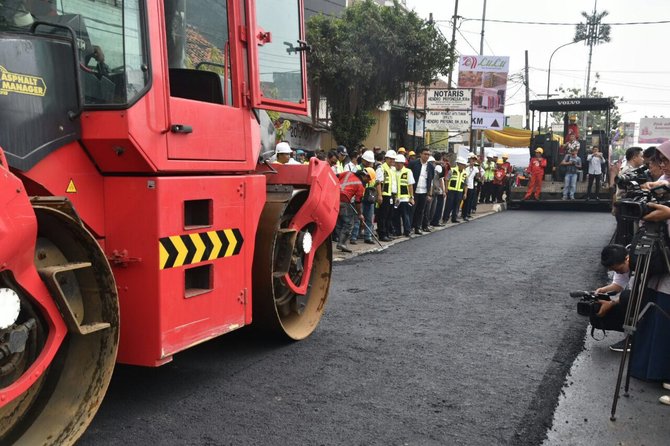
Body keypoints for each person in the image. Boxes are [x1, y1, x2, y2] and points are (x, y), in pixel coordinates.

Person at [334, 168, 375, 253]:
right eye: (368, 179)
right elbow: (358, 202)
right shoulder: (360, 186)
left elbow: (335, 176)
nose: (368, 182)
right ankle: (341, 244)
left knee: (337, 222)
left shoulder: (348, 173)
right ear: (365, 176)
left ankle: (339, 241)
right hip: (344, 202)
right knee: (349, 223)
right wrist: (360, 214)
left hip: (333, 197)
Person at [409, 148, 434, 234]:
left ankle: (417, 227)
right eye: (425, 154)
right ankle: (410, 227)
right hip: (414, 191)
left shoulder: (430, 166)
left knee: (421, 210)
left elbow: (430, 181)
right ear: (420, 154)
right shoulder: (413, 164)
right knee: (412, 209)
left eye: (428, 154)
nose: (426, 156)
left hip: (424, 191)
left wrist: (429, 194)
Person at [375, 150, 397, 242]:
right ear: (386, 158)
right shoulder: (381, 168)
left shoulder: (392, 169)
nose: (393, 161)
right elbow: (378, 183)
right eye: (391, 159)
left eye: (394, 159)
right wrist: (380, 195)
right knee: (382, 216)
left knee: (389, 216)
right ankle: (382, 234)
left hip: (391, 195)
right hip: (384, 195)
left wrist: (396, 195)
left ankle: (387, 233)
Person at [394, 154, 415, 237]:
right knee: (396, 216)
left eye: (399, 163)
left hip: (404, 198)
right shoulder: (393, 171)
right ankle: (397, 231)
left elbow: (410, 185)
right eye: (396, 163)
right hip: (396, 199)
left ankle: (407, 231)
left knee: (405, 216)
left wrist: (411, 197)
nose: (397, 165)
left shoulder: (408, 171)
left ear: (403, 163)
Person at [443, 156, 467, 223]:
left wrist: (465, 193)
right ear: (459, 164)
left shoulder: (464, 173)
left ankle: (454, 218)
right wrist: (446, 189)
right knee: (449, 205)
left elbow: (465, 184)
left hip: (459, 191)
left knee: (457, 205)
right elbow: (447, 179)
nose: (464, 166)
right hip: (451, 190)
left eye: (464, 165)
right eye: (463, 164)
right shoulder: (452, 170)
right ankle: (445, 219)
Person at [429, 153, 446, 227]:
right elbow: (440, 180)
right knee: (438, 207)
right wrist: (443, 190)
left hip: (434, 189)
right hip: (438, 190)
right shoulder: (439, 167)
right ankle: (435, 221)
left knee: (433, 207)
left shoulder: (434, 167)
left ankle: (433, 221)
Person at [461, 154, 479, 221]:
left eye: (474, 160)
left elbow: (477, 177)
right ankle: (463, 214)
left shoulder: (475, 169)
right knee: (464, 201)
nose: (473, 161)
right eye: (472, 159)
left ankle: (467, 213)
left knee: (469, 201)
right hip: (465, 186)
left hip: (471, 186)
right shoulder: (466, 167)